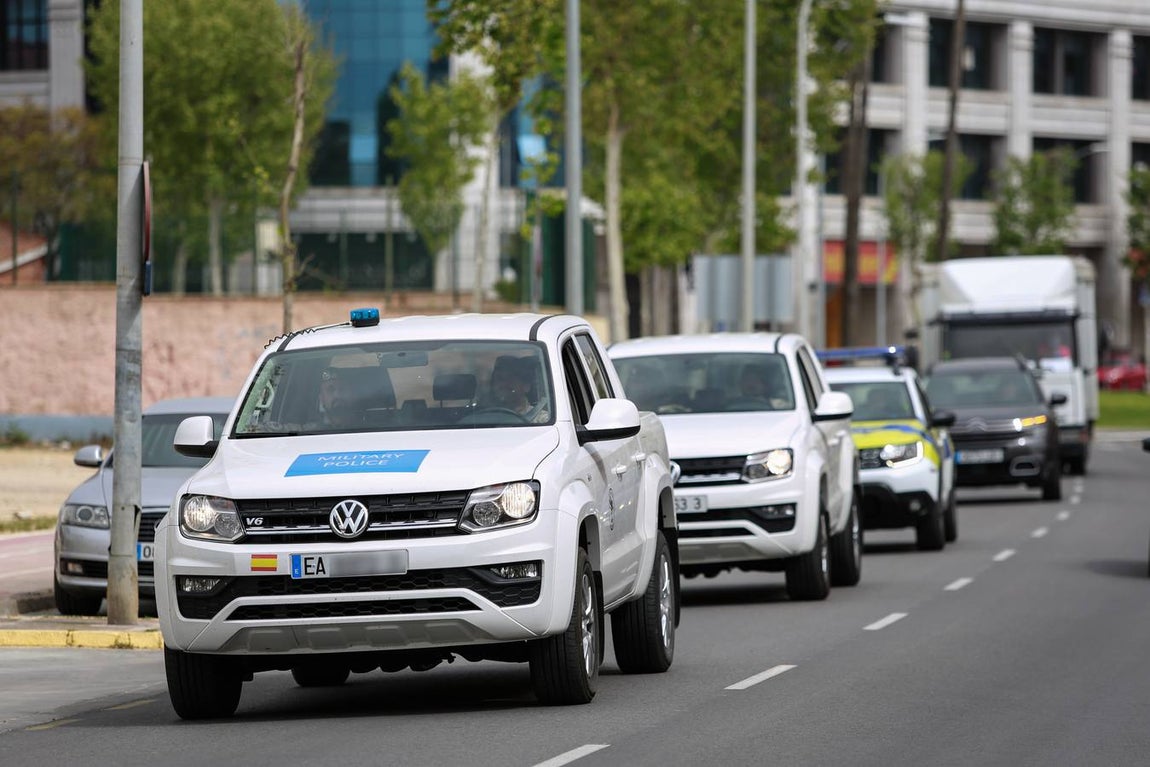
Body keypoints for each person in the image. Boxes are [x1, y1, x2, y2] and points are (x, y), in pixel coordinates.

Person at [488, 355, 548, 422]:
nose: (503, 384)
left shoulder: (542, 420)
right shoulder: (481, 419)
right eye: (500, 379)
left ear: (526, 386)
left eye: (510, 379)